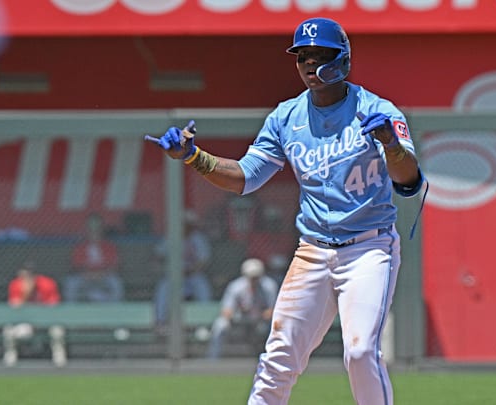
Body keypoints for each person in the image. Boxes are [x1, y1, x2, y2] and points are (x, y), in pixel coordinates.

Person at [145, 16, 426, 405]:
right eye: (302, 56)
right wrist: (194, 156)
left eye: (320, 55)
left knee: (360, 353)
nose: (310, 64)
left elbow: (408, 180)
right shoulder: (286, 117)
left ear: (342, 59)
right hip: (313, 251)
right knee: (278, 358)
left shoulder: (376, 110)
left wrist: (391, 144)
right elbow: (245, 177)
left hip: (368, 249)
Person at [207, 258, 279, 359]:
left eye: (256, 276)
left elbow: (273, 310)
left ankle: (272, 359)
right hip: (239, 318)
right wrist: (237, 312)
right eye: (251, 277)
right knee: (220, 325)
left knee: (272, 327)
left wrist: (260, 314)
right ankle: (212, 359)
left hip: (260, 320)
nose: (254, 280)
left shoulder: (268, 285)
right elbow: (226, 311)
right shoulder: (236, 286)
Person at [153, 210, 213, 329]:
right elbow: (158, 255)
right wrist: (167, 267)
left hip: (193, 276)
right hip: (174, 276)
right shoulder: (171, 237)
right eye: (184, 224)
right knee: (163, 288)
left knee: (202, 288)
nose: (186, 227)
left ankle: (205, 324)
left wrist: (190, 271)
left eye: (188, 224)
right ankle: (161, 322)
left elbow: (204, 261)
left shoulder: (198, 239)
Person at [4, 261, 66, 367]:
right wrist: (25, 294)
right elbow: (14, 307)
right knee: (9, 331)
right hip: (25, 322)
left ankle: (59, 360)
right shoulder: (16, 284)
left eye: (30, 274)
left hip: (45, 322)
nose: (27, 277)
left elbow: (54, 306)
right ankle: (10, 358)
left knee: (57, 330)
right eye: (24, 274)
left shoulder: (47, 283)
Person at [63, 212, 124, 302]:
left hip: (104, 276)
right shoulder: (80, 246)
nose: (94, 230)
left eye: (97, 226)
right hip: (84, 277)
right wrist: (87, 274)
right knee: (71, 283)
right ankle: (72, 310)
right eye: (91, 227)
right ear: (86, 229)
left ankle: (115, 310)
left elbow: (114, 266)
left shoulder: (109, 246)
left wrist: (101, 274)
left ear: (101, 228)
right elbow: (76, 266)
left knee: (116, 283)